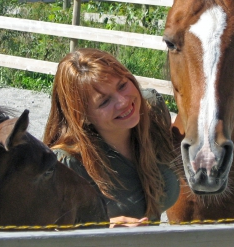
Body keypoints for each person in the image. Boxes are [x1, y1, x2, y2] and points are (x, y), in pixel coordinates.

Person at [43, 48, 179, 227]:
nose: (123, 102)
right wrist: (103, 227)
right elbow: (47, 233)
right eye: (104, 101)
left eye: (122, 85)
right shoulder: (66, 165)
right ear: (82, 116)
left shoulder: (152, 113)